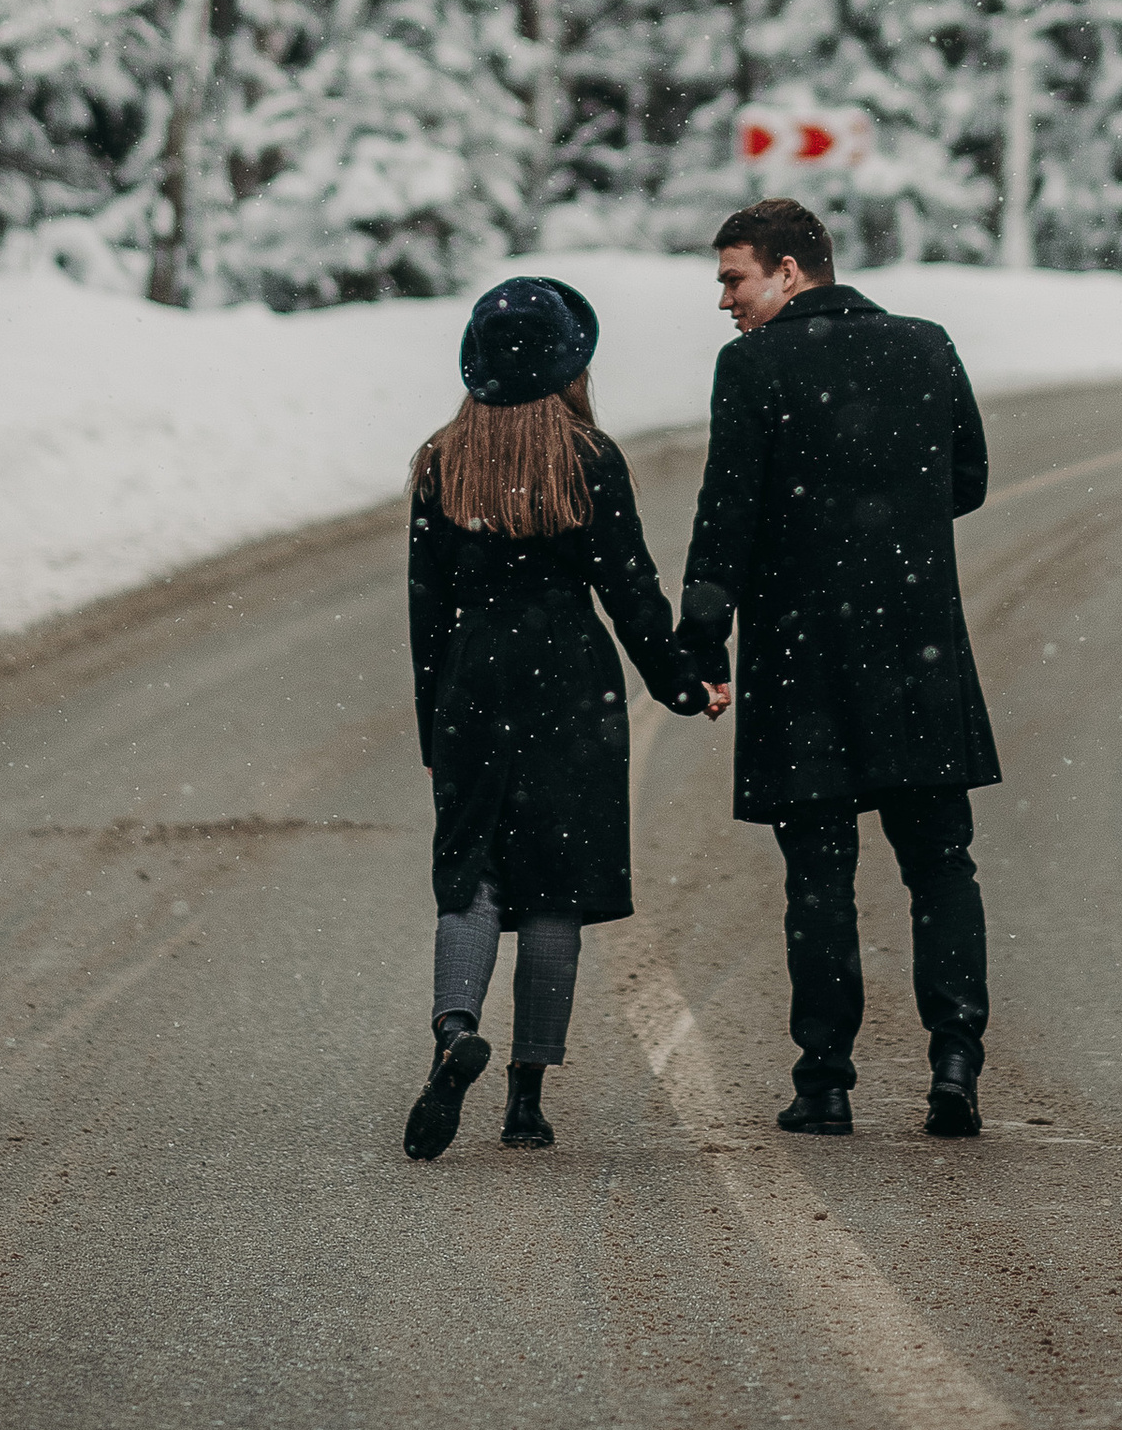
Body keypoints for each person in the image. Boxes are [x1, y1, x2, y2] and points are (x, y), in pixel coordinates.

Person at [675, 197, 1000, 1142]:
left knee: (819, 874)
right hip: (918, 650)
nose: (726, 301)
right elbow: (969, 479)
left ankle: (824, 1080)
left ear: (788, 271)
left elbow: (725, 512)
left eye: (735, 278)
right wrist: (891, 515)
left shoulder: (754, 367)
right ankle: (955, 1062)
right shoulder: (927, 346)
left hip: (805, 658)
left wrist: (706, 635)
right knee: (942, 865)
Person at [402, 271, 709, 1161]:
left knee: (470, 876)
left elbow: (426, 614)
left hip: (471, 682)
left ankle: (456, 1028)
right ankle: (526, 1100)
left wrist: (435, 726)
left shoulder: (439, 462)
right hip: (570, 683)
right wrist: (682, 682)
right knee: (554, 894)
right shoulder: (589, 459)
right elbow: (630, 592)